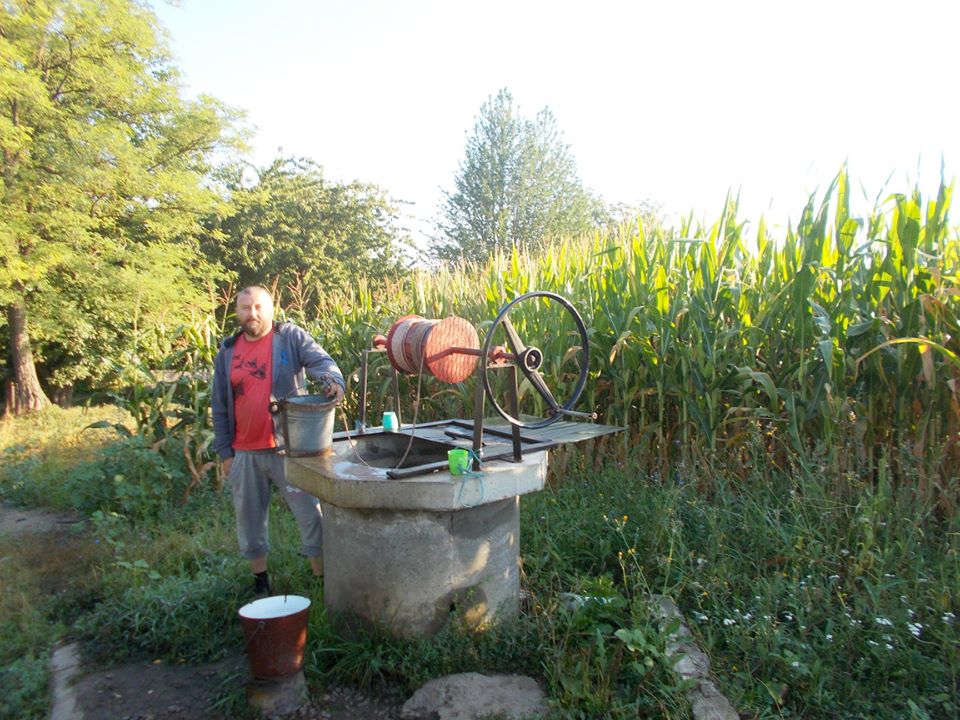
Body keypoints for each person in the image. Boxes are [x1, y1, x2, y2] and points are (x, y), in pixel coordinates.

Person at [212, 285, 345, 596]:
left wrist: (332, 381)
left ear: (271, 309)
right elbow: (219, 405)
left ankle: (321, 581)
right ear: (237, 313)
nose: (252, 313)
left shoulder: (290, 337)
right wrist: (225, 453)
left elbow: (321, 361)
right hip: (244, 452)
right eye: (245, 308)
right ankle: (260, 583)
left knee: (311, 515)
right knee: (249, 521)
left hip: (290, 449)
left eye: (259, 307)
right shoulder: (228, 351)